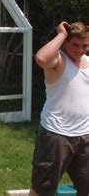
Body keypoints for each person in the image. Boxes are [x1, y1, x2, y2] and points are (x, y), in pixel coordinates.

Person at [30, 21, 89, 196]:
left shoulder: (87, 61)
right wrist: (62, 34)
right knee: (42, 189)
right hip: (56, 135)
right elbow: (41, 58)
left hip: (85, 136)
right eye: (75, 45)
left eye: (84, 45)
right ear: (65, 43)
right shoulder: (58, 60)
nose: (80, 50)